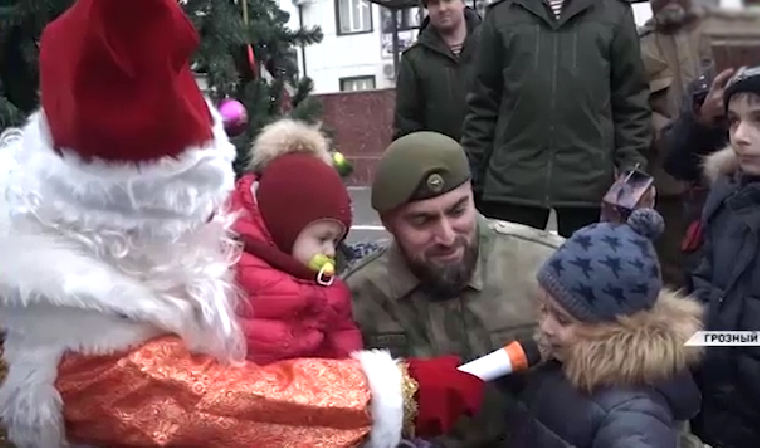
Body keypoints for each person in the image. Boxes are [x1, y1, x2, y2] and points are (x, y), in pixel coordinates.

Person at [0, 1, 487, 446]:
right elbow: (202, 404)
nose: (209, 227)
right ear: (128, 216)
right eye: (186, 217)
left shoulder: (123, 255)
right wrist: (392, 394)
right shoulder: (68, 317)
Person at [344, 131, 566, 446]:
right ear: (389, 224)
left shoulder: (543, 265)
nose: (447, 237)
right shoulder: (358, 296)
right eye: (422, 221)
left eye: (458, 211)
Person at [512, 208, 703, 447]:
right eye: (543, 308)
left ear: (611, 327)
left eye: (562, 319)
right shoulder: (563, 357)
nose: (545, 326)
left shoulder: (634, 416)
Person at [461, 0, 651, 237]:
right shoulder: (502, 15)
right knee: (511, 262)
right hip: (513, 185)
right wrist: (468, 175)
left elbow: (631, 103)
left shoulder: (613, 13)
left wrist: (632, 176)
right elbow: (483, 105)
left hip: (591, 189)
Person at [229, 119, 362, 365]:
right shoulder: (237, 273)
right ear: (283, 227)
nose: (330, 251)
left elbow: (344, 345)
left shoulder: (328, 288)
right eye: (322, 238)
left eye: (336, 241)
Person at [689, 66, 760, 448]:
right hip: (717, 407)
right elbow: (705, 283)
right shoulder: (728, 199)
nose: (741, 137)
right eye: (733, 121)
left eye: (759, 121)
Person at [639, 0, 712, 289]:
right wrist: (670, 133)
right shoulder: (638, 45)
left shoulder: (718, 36)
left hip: (721, 181)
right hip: (668, 185)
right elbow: (630, 106)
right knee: (670, 276)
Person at [393, 0, 481, 143]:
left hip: (491, 154)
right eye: (434, 3)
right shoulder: (414, 59)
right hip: (440, 155)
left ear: (462, 2)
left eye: (448, 0)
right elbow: (407, 123)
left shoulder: (490, 46)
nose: (442, 8)